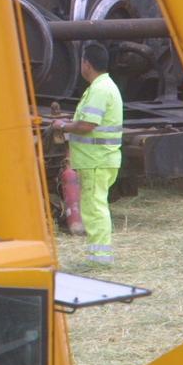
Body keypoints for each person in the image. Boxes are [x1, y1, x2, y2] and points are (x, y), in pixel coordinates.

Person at [54, 42, 123, 265]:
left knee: (95, 208)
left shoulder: (99, 90)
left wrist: (63, 126)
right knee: (96, 206)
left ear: (86, 64)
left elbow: (87, 125)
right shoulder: (104, 86)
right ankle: (98, 256)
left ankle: (100, 259)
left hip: (97, 160)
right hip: (100, 159)